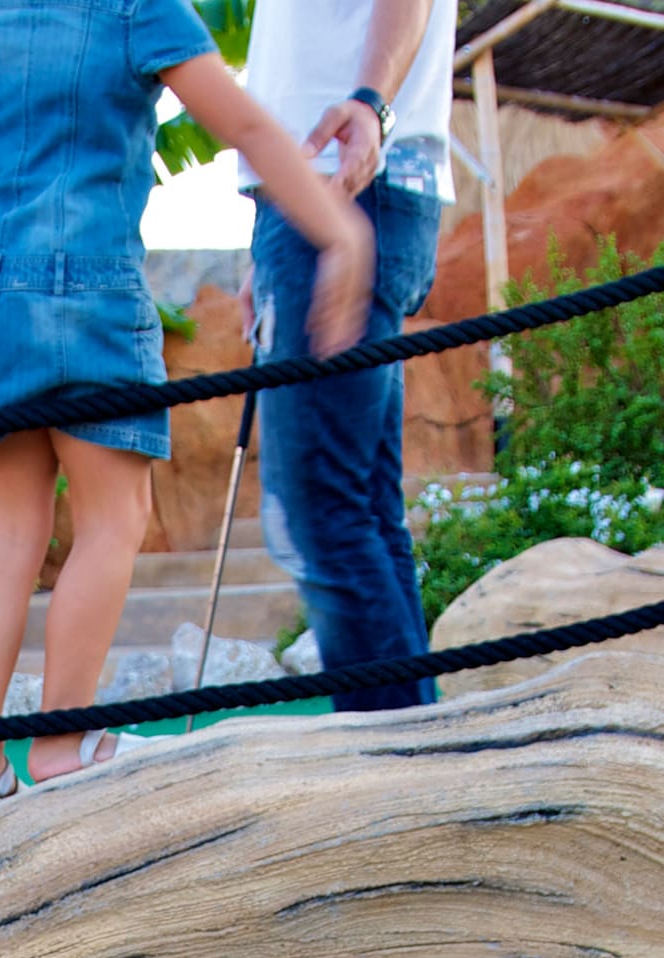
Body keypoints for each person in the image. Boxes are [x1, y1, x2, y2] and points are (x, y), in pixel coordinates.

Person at [0, 0, 374, 810]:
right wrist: (339, 231)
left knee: (9, 532)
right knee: (113, 520)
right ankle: (62, 741)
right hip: (92, 286)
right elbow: (249, 130)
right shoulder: (142, 7)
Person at [240, 0, 458, 710]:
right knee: (359, 503)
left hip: (347, 182)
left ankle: (392, 772)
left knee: (320, 507)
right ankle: (414, 754)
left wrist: (370, 102)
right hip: (325, 192)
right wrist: (267, 235)